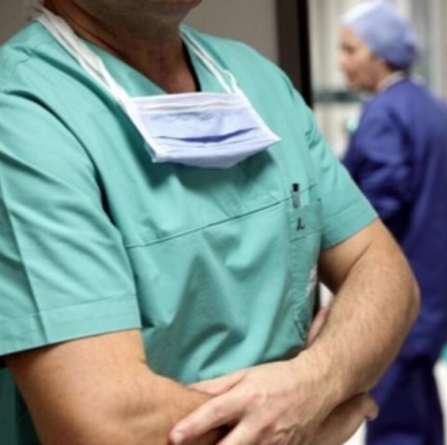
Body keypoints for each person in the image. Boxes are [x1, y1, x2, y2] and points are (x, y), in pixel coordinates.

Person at [0, 0, 421, 444]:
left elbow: (389, 276)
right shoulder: (21, 114)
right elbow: (108, 426)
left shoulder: (258, 80)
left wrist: (315, 384)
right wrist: (306, 426)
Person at [338, 2, 447, 445]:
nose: (341, 62)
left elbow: (379, 207)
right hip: (437, 290)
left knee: (395, 420)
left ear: (380, 54)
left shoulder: (384, 115)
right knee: (419, 406)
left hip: (401, 296)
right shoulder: (438, 110)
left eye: (350, 50)